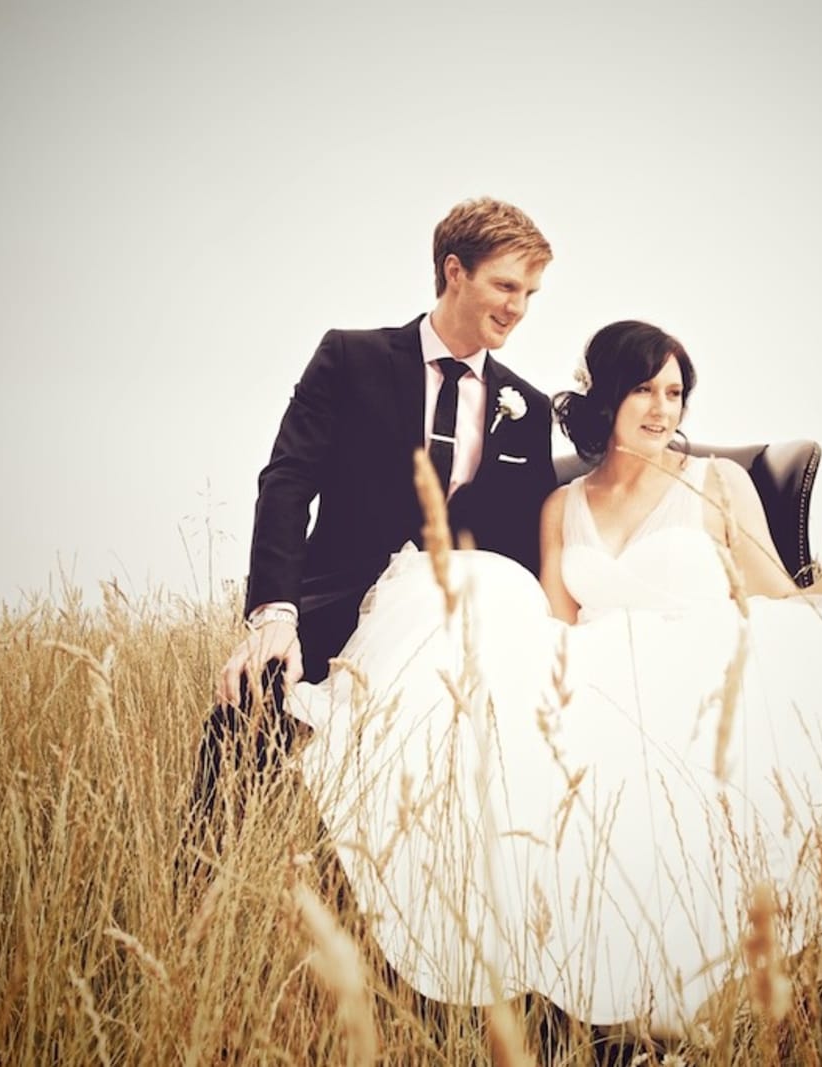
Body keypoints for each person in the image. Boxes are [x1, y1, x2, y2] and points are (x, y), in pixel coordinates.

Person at [281, 320, 822, 1034]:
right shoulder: (561, 504)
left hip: (714, 664)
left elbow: (779, 598)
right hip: (602, 677)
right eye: (645, 391)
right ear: (606, 400)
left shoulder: (717, 483)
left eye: (675, 393)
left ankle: (732, 973)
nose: (663, 409)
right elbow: (554, 622)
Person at [192, 197, 557, 819]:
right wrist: (273, 614)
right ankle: (203, 890)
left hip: (458, 628)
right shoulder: (348, 358)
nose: (517, 308)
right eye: (504, 285)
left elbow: (530, 537)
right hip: (337, 602)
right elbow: (286, 481)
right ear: (453, 271)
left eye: (529, 292)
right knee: (248, 705)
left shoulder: (528, 406)